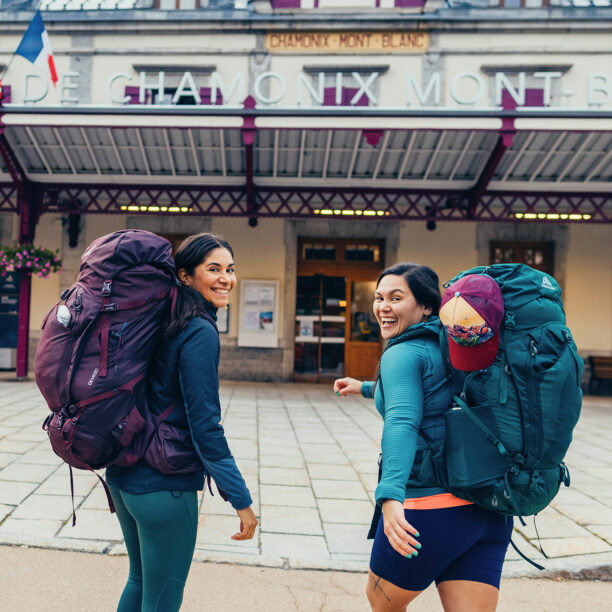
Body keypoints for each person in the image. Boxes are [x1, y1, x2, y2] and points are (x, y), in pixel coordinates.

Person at [333, 263, 512, 612]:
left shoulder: (401, 352)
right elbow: (436, 394)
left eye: (396, 298)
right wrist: (368, 388)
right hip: (488, 508)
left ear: (427, 306)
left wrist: (389, 496)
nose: (383, 306)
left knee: (381, 601)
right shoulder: (457, 345)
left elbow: (402, 420)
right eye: (379, 297)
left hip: (431, 508)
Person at [106, 233, 258, 612]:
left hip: (125, 475)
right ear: (186, 277)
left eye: (230, 269)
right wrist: (240, 498)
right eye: (214, 269)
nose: (226, 278)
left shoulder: (157, 321)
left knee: (139, 582)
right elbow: (204, 423)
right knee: (163, 597)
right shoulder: (198, 330)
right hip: (165, 484)